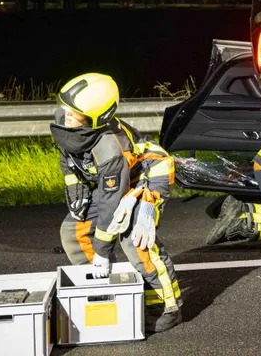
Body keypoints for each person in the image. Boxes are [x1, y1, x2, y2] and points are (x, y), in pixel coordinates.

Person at [51, 73, 183, 333]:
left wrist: (102, 251)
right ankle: (102, 290)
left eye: (74, 114)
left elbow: (112, 204)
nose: (65, 115)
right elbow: (68, 157)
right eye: (65, 107)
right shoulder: (73, 127)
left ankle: (168, 306)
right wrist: (75, 186)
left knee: (137, 241)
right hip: (115, 182)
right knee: (73, 232)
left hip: (146, 179)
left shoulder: (109, 147)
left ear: (95, 119)